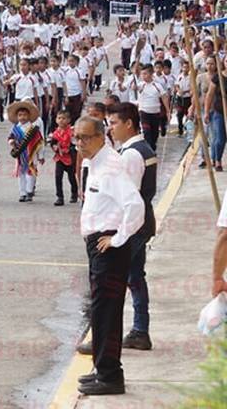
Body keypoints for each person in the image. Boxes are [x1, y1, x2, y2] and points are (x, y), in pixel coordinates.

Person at [75, 115, 144, 396]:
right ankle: (103, 368)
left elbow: (135, 206)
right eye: (77, 137)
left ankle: (111, 375)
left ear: (101, 137)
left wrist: (117, 238)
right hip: (97, 245)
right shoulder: (95, 162)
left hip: (109, 249)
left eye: (85, 137)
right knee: (101, 310)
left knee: (107, 311)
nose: (79, 143)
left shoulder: (111, 168)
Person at [107, 102, 157, 351]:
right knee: (135, 277)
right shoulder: (141, 148)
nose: (110, 128)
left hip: (133, 226)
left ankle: (108, 337)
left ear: (129, 124)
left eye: (114, 123)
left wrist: (118, 233)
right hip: (142, 222)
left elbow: (128, 197)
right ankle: (140, 330)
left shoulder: (131, 154)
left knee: (115, 280)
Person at [7, 100, 44, 202]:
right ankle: (22, 193)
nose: (22, 117)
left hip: (32, 155)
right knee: (21, 174)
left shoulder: (33, 129)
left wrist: (41, 156)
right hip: (20, 155)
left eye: (24, 115)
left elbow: (40, 143)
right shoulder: (15, 128)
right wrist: (11, 142)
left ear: (29, 116)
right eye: (20, 115)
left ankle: (29, 191)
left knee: (30, 173)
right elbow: (10, 137)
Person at [136, 64, 170, 151]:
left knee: (154, 134)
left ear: (151, 74)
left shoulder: (157, 86)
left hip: (155, 113)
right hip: (144, 112)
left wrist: (168, 111)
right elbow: (135, 86)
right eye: (142, 74)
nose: (143, 76)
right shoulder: (141, 85)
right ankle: (149, 151)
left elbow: (164, 97)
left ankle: (152, 148)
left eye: (145, 74)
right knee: (147, 133)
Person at [49, 109, 79, 206]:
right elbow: (52, 142)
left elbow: (75, 144)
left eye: (64, 118)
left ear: (69, 120)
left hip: (70, 157)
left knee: (72, 177)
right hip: (59, 158)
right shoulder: (55, 132)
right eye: (59, 118)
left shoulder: (72, 132)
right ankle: (59, 197)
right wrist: (54, 147)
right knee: (58, 177)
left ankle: (74, 193)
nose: (61, 120)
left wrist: (69, 149)